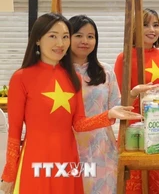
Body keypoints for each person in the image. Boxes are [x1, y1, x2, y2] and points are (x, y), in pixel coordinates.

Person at [0, 13, 141, 194]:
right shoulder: (21, 78)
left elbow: (79, 123)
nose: (60, 43)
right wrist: (10, 173)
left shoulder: (73, 78)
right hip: (36, 159)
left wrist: (109, 115)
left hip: (69, 158)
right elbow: (14, 131)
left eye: (65, 37)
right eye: (53, 36)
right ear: (37, 39)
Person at [69, 15, 156, 194]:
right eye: (78, 35)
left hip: (103, 147)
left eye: (91, 36)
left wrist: (133, 93)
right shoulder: (58, 73)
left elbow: (117, 106)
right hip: (69, 145)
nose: (85, 41)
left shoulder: (105, 71)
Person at [114, 8, 159, 194]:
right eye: (145, 25)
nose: (152, 29)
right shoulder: (124, 57)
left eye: (156, 25)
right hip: (134, 129)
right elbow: (119, 99)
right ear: (134, 29)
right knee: (134, 183)